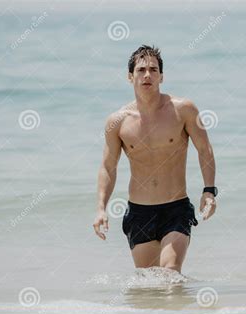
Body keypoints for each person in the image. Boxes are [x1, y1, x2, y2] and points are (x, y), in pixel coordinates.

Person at [93, 45, 217, 273]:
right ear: (130, 77)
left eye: (153, 69)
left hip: (176, 208)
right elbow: (108, 166)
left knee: (170, 272)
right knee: (149, 283)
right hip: (139, 212)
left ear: (161, 76)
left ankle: (182, 306)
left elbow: (204, 149)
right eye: (141, 70)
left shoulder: (184, 110)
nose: (147, 74)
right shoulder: (117, 122)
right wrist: (101, 207)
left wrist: (209, 190)